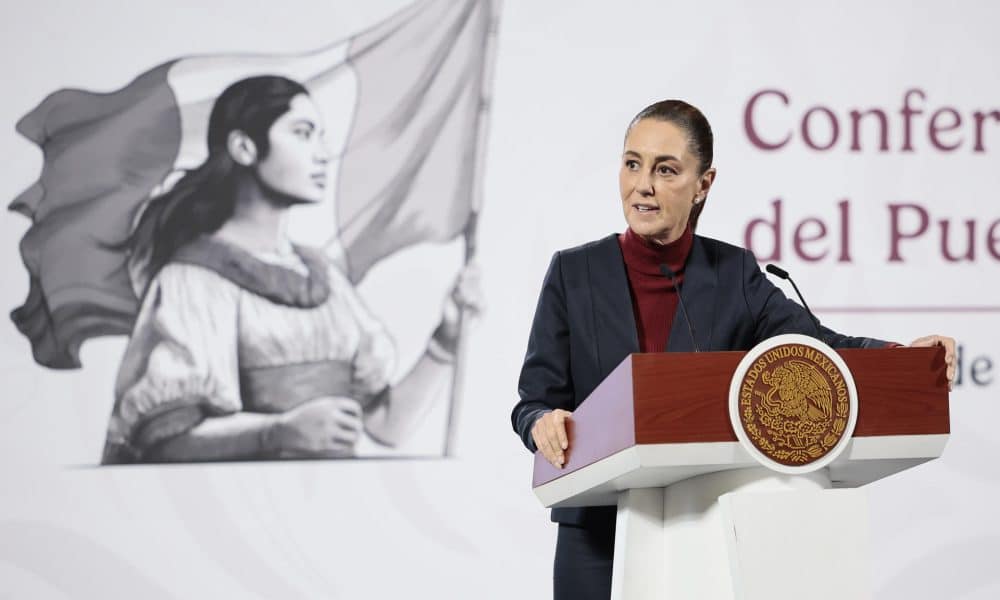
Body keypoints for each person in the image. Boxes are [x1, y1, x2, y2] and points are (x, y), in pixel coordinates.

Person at [510, 99, 956, 600]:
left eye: (666, 170)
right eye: (632, 163)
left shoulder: (735, 274)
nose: (642, 186)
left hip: (699, 526)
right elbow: (533, 401)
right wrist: (541, 422)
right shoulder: (574, 274)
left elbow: (820, 348)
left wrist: (906, 355)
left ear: (704, 184)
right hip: (595, 533)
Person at [102, 75, 476, 464]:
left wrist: (445, 341)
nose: (322, 153)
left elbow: (387, 425)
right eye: (303, 133)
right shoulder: (193, 279)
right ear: (244, 147)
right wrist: (277, 432)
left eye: (320, 136)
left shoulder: (325, 277)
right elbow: (165, 442)